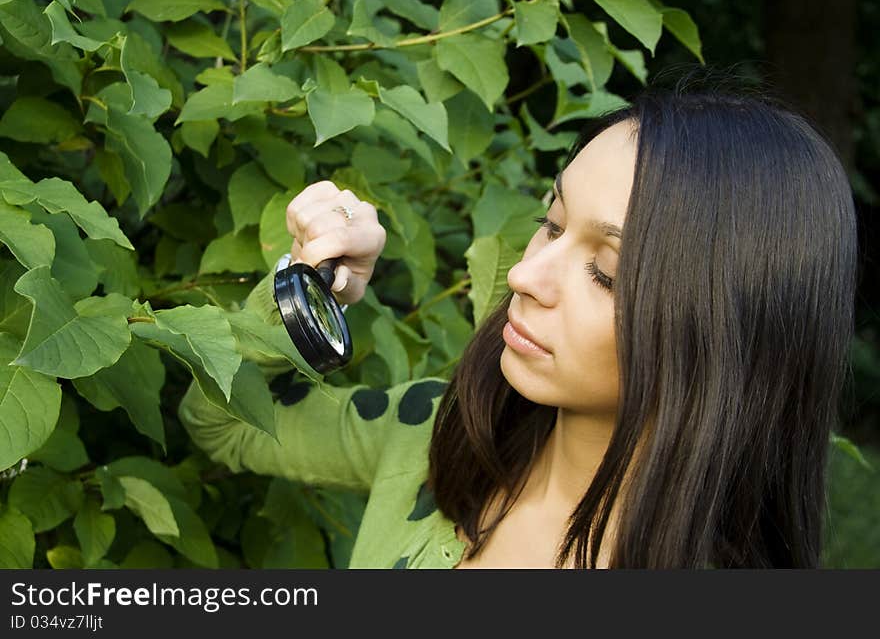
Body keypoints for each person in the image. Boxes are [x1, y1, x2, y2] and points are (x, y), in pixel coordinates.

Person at [178, 80, 859, 568]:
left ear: (726, 334)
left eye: (607, 272)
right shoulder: (445, 438)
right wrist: (307, 283)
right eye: (550, 222)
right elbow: (229, 420)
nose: (523, 277)